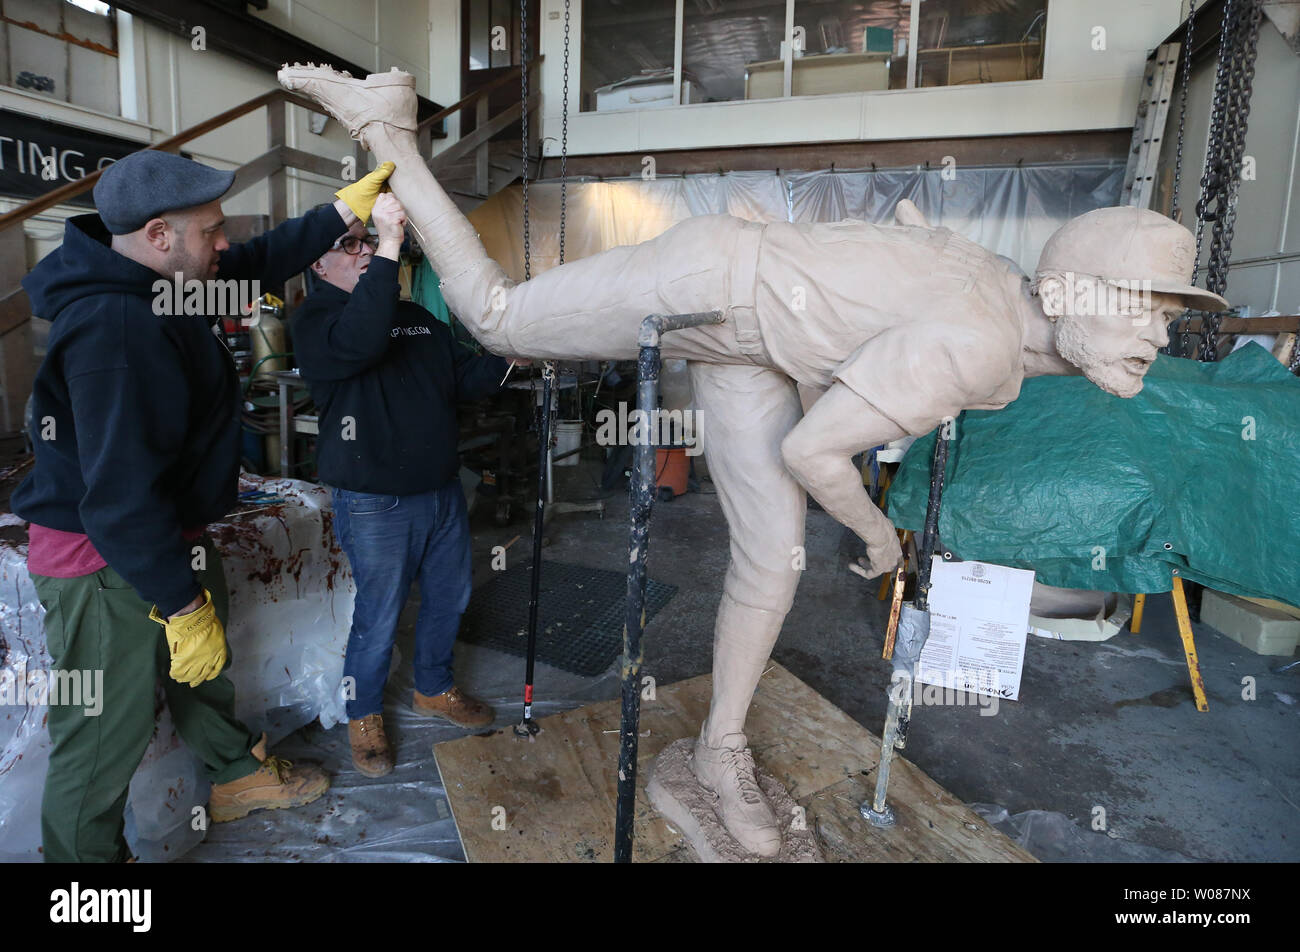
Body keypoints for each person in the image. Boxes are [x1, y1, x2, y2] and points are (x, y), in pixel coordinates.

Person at [280, 64, 1230, 856]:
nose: (1159, 334)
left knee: (773, 559)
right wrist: (879, 535)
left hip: (754, 341)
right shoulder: (978, 345)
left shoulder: (1001, 303)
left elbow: (859, 310)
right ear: (1068, 287)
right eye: (1143, 306)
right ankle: (392, 133)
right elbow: (815, 451)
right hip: (707, 281)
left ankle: (716, 752)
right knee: (495, 315)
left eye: (1168, 313)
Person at [12, 149, 394, 862]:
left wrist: (343, 211)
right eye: (210, 230)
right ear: (159, 234)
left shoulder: (162, 284)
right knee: (102, 736)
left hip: (167, 531)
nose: (224, 244)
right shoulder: (116, 328)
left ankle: (236, 776)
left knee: (203, 673)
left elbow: (251, 261)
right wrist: (180, 606)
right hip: (105, 558)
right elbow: (120, 500)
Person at [293, 193, 516, 778]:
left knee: (449, 598)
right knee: (380, 612)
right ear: (319, 266)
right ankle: (362, 714)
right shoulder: (318, 322)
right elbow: (364, 338)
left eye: (369, 242)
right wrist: (391, 246)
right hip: (374, 501)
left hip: (441, 491)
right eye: (350, 245)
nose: (364, 252)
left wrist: (520, 348)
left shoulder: (418, 319)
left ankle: (433, 688)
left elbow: (462, 380)